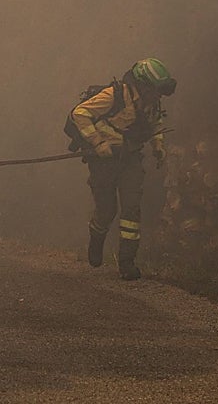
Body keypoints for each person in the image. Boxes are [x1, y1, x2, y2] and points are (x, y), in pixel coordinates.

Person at [65, 57, 177, 280]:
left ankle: (127, 264)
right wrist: (98, 142)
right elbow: (80, 114)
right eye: (155, 91)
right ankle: (97, 237)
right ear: (143, 85)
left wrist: (159, 147)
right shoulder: (115, 95)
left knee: (131, 209)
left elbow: (155, 124)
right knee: (107, 210)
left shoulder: (151, 102)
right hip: (104, 161)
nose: (158, 97)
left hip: (130, 160)